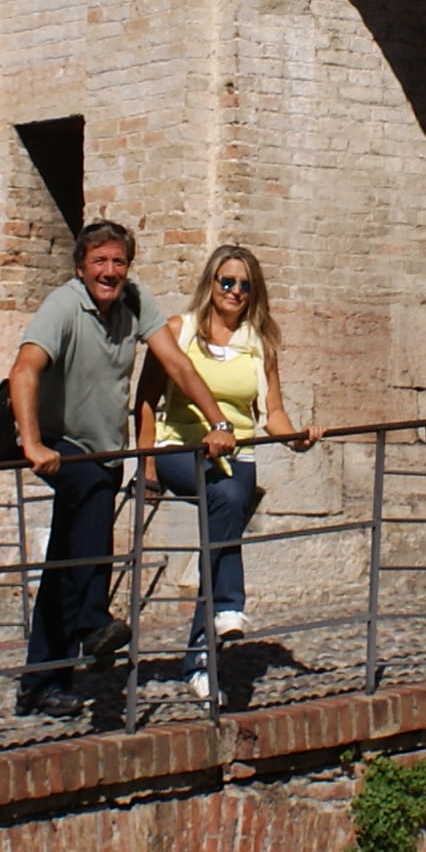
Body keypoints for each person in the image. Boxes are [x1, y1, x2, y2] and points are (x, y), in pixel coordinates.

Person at [8, 221, 237, 719]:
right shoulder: (64, 306)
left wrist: (217, 420)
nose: (109, 272)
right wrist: (30, 443)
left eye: (118, 262)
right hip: (59, 443)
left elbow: (175, 363)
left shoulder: (134, 301)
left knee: (67, 558)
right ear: (81, 267)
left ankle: (42, 682)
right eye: (100, 262)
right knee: (90, 497)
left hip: (104, 447)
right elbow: (24, 369)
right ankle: (92, 621)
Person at [137, 243, 317, 700]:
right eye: (227, 282)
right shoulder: (179, 330)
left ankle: (200, 658)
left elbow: (271, 411)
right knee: (229, 500)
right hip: (181, 447)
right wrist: (148, 466)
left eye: (245, 285)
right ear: (211, 284)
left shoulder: (260, 343)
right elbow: (145, 400)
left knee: (225, 514)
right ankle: (230, 608)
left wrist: (294, 438)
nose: (235, 291)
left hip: (238, 454)